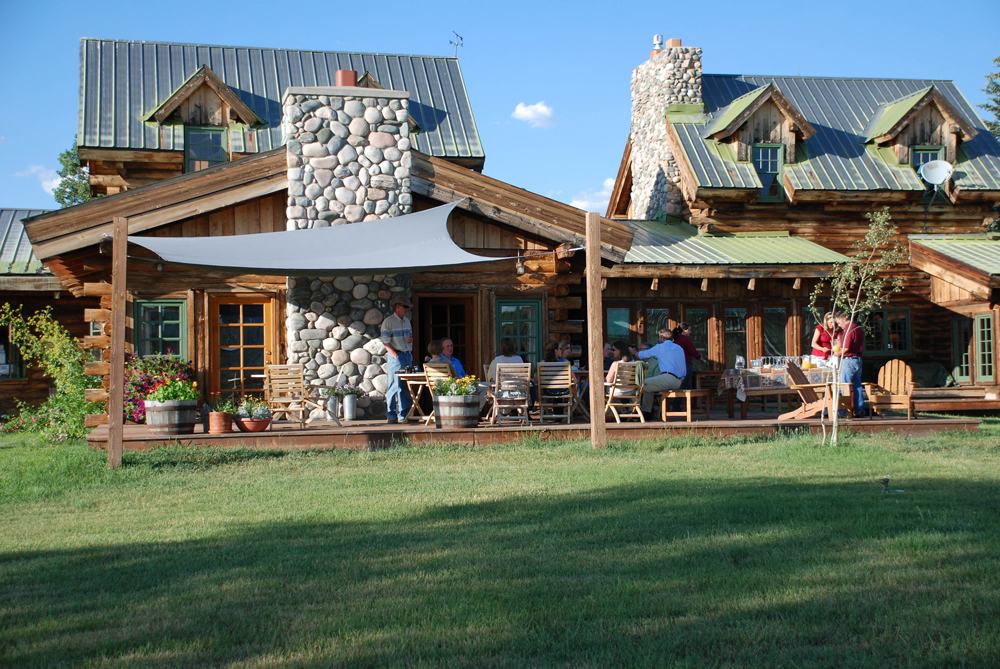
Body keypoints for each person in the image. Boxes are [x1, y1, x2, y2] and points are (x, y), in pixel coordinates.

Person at [636, 328, 686, 418]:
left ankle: (641, 412)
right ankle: (647, 412)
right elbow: (684, 367)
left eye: (659, 338)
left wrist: (633, 352)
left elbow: (642, 355)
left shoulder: (660, 347)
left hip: (668, 378)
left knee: (641, 384)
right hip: (679, 381)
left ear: (662, 338)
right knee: (648, 386)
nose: (659, 340)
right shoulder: (679, 348)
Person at [380, 296, 414, 424]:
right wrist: (395, 356)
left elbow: (409, 337)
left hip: (407, 354)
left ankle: (405, 414)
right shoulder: (388, 322)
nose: (407, 309)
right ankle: (391, 414)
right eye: (405, 307)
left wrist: (410, 342)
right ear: (397, 307)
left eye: (408, 307)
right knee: (394, 385)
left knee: (405, 385)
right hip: (397, 355)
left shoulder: (407, 321)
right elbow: (385, 342)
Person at [835, 311, 865, 417]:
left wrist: (836, 354)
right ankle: (859, 410)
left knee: (845, 385)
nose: (839, 325)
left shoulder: (848, 329)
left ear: (844, 319)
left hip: (848, 360)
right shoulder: (857, 327)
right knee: (857, 386)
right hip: (858, 359)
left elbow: (846, 348)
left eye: (839, 322)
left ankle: (845, 412)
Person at [672, 322, 702, 390]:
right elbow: (693, 351)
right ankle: (678, 400)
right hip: (686, 363)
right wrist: (700, 358)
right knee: (685, 384)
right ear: (684, 330)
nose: (690, 332)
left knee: (685, 384)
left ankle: (689, 400)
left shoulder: (676, 340)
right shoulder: (686, 340)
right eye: (689, 330)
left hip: (677, 364)